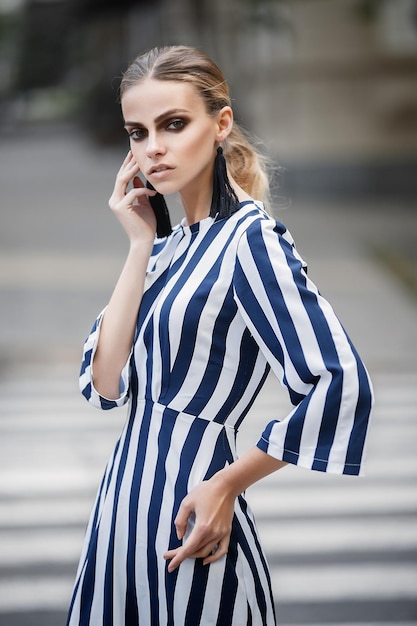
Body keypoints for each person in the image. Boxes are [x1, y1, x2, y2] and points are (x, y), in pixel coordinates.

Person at [67, 45, 373, 626]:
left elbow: (341, 384)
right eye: (138, 132)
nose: (153, 147)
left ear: (221, 123)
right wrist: (138, 244)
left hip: (191, 515)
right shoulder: (166, 248)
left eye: (173, 124)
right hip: (119, 513)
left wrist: (227, 486)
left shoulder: (250, 240)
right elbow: (107, 384)